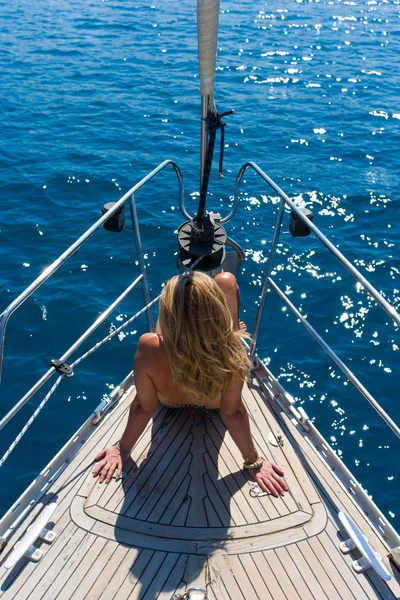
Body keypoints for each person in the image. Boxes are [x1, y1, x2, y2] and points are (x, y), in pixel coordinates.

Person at [93, 270, 288, 498]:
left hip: (171, 400)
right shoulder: (232, 351)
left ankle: (187, 318)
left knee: (172, 310)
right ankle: (225, 324)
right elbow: (232, 412)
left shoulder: (148, 346)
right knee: (227, 281)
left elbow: (143, 407)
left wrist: (122, 450)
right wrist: (253, 461)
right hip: (215, 401)